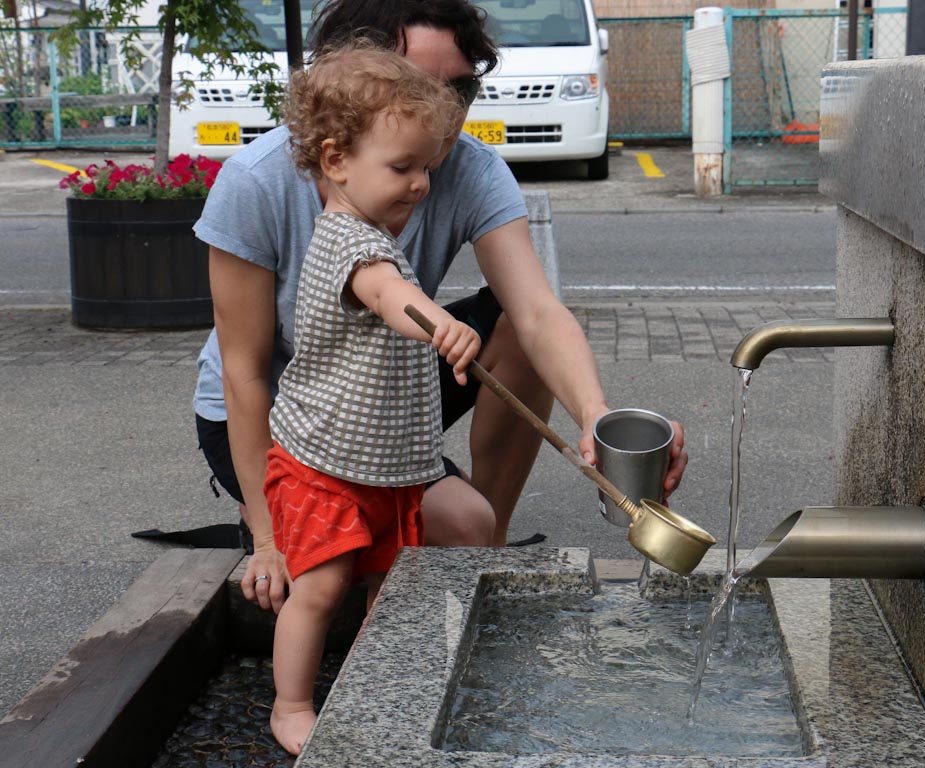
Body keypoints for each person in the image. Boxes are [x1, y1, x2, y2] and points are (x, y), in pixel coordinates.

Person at [193, 0, 688, 616]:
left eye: (462, 87)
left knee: (468, 522)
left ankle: (487, 549)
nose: (450, 112)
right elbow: (243, 372)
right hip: (277, 410)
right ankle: (272, 510)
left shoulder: (469, 170)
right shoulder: (256, 181)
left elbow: (535, 313)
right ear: (356, 81)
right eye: (425, 86)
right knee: (320, 572)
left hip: (381, 391)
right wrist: (268, 536)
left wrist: (597, 419)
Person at [263, 45, 475, 754]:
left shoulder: (374, 228)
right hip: (322, 463)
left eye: (426, 168)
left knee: (389, 591)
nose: (419, 185)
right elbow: (387, 293)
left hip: (383, 466)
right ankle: (290, 705)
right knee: (320, 588)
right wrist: (437, 320)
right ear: (335, 160)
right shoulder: (352, 242)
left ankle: (372, 692)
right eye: (402, 168)